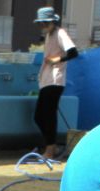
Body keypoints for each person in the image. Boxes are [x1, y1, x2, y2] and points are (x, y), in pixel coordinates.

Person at [33, 6, 77, 160]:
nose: (42, 26)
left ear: (51, 21)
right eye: (41, 24)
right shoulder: (49, 35)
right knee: (39, 116)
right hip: (46, 80)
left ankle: (50, 149)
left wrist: (56, 60)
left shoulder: (60, 33)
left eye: (45, 23)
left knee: (48, 114)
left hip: (56, 79)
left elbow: (73, 52)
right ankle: (50, 146)